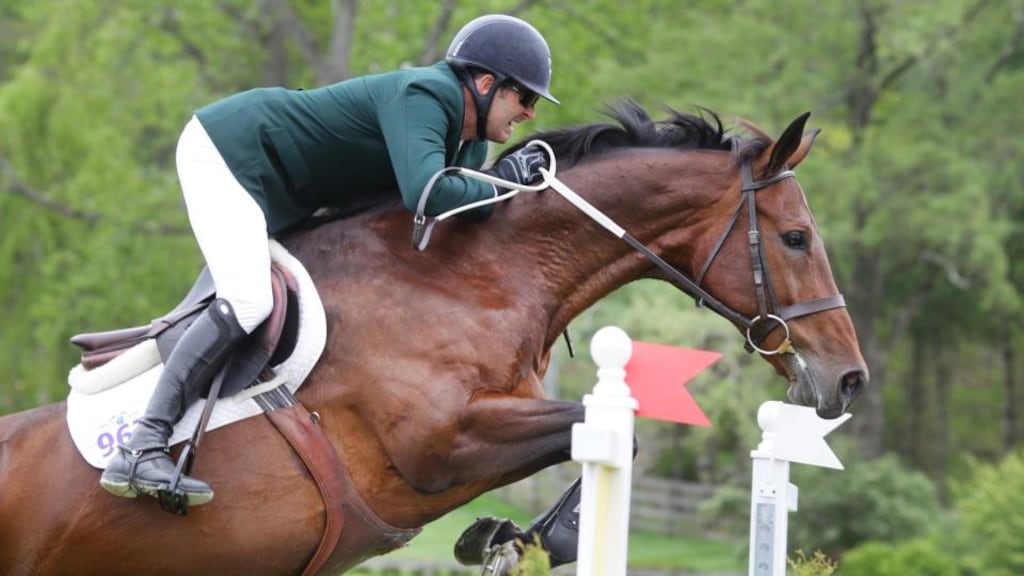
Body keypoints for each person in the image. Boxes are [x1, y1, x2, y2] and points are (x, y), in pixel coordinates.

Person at [99, 14, 559, 508]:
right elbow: (428, 193)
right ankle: (143, 442)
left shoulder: (470, 141)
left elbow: (459, 214)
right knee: (249, 299)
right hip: (228, 151)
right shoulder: (427, 94)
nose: (530, 113)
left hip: (276, 187)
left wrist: (509, 187)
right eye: (525, 98)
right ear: (487, 84)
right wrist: (504, 179)